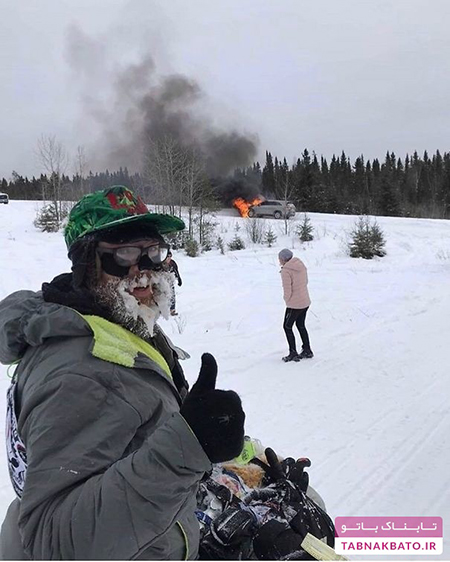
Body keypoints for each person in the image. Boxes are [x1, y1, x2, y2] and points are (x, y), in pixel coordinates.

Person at [0, 185, 245, 560]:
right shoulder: (80, 375)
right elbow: (52, 543)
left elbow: (136, 438)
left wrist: (217, 443)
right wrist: (187, 448)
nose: (144, 270)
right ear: (86, 263)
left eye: (153, 252)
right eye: (124, 253)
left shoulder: (115, 325)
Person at [278, 248, 313, 362]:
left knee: (287, 326)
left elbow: (287, 289)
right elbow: (306, 281)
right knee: (300, 325)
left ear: (283, 259)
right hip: (305, 301)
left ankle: (293, 353)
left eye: (279, 258)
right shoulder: (300, 265)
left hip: (295, 304)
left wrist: (287, 299)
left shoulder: (286, 271)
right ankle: (307, 350)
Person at [165, 250, 182, 316]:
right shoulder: (161, 263)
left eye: (170, 256)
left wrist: (179, 279)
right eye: (167, 256)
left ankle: (172, 310)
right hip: (162, 282)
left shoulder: (172, 263)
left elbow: (176, 271)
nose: (169, 258)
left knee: (172, 295)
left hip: (170, 281)